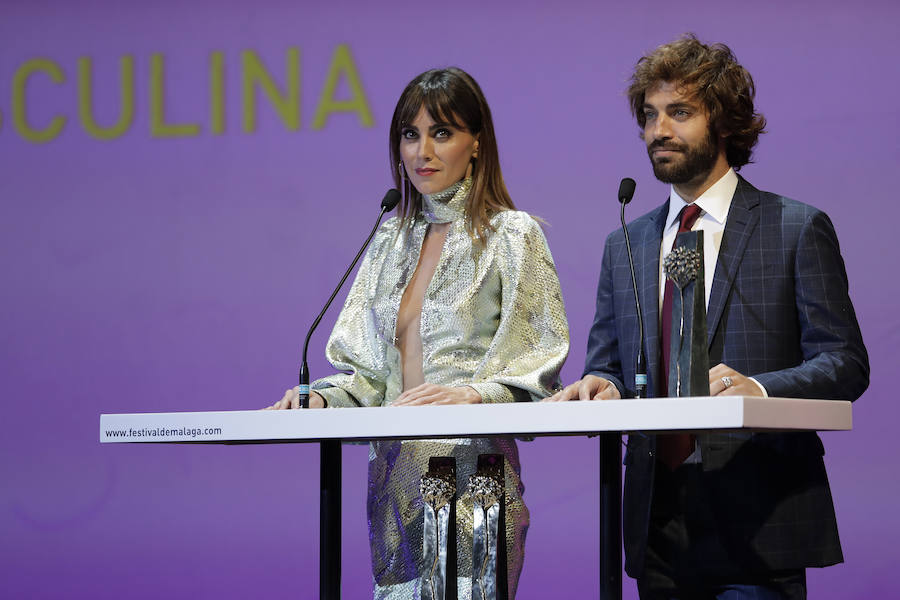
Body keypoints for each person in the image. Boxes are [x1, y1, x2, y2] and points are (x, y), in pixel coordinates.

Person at [549, 35, 868, 599]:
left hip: (758, 521)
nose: (657, 131)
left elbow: (845, 363)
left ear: (723, 121)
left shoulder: (795, 228)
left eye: (679, 112)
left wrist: (760, 391)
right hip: (657, 525)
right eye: (649, 115)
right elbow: (612, 368)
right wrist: (602, 384)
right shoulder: (625, 244)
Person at [268, 67, 569, 599]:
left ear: (477, 143)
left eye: (442, 132)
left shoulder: (512, 234)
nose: (422, 151)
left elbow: (538, 361)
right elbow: (366, 376)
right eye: (411, 134)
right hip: (394, 475)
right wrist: (319, 399)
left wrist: (473, 392)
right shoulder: (389, 239)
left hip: (474, 467)